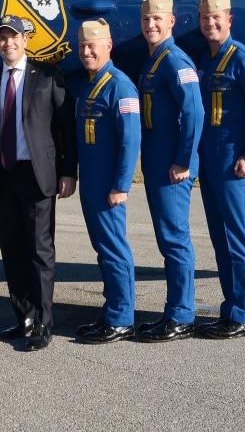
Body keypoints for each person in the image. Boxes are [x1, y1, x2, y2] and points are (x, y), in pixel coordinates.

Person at [0, 15, 78, 352]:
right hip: (3, 175)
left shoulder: (47, 77)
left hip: (37, 175)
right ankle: (24, 316)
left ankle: (45, 322)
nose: (8, 43)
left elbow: (67, 129)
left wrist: (69, 171)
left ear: (25, 40)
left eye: (14, 37)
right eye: (2, 38)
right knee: (12, 250)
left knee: (40, 251)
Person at [194, 0, 245, 339]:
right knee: (219, 236)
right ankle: (232, 307)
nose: (211, 23)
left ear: (229, 19)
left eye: (217, 18)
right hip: (209, 160)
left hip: (233, 159)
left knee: (239, 236)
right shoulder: (207, 61)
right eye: (205, 19)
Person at [135, 0, 204, 343]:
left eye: (158, 19)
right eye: (147, 19)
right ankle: (175, 310)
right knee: (168, 239)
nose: (151, 25)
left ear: (172, 21)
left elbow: (195, 112)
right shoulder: (154, 60)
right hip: (158, 162)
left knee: (176, 240)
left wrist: (184, 161)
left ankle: (181, 315)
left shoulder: (175, 61)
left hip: (172, 167)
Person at [73, 18, 141, 345]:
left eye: (94, 46)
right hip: (92, 182)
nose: (88, 52)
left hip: (109, 186)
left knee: (114, 249)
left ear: (108, 46)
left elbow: (130, 141)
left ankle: (122, 317)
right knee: (103, 249)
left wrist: (122, 186)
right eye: (83, 46)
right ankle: (111, 307)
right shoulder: (89, 85)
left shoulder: (120, 86)